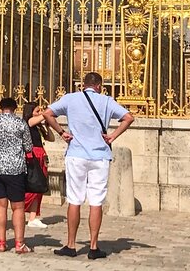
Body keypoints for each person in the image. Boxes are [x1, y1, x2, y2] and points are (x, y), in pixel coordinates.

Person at [43, 72, 135, 260]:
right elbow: (128, 117)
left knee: (74, 199)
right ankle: (93, 246)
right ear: (99, 86)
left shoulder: (71, 98)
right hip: (100, 156)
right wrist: (112, 136)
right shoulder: (107, 101)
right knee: (96, 201)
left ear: (83, 85)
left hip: (76, 154)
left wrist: (61, 132)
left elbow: (47, 113)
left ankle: (71, 244)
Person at [0, 97, 33, 253]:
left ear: (0, 108)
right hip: (14, 168)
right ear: (15, 109)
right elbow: (28, 147)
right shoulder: (20, 123)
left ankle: (2, 242)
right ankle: (19, 243)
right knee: (18, 207)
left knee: (0, 205)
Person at [23, 102, 55, 228]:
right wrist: (46, 113)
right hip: (33, 155)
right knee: (33, 185)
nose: (39, 112)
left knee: (39, 187)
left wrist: (48, 126)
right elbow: (37, 118)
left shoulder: (38, 127)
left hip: (41, 155)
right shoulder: (28, 122)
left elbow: (50, 138)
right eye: (37, 111)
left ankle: (33, 216)